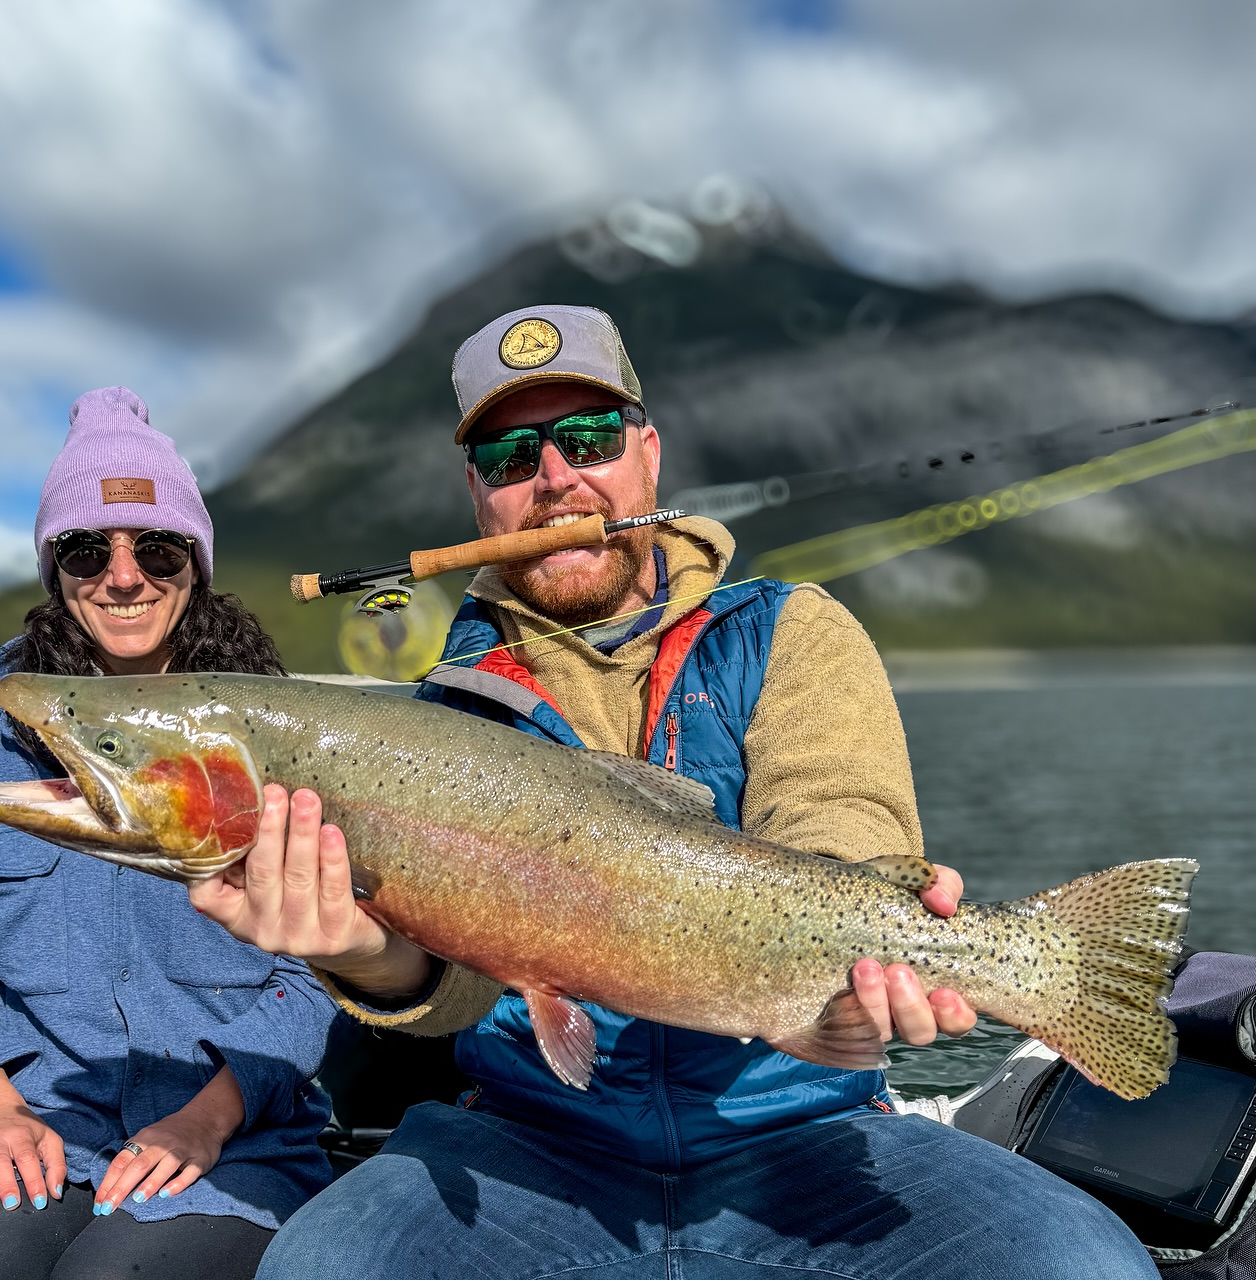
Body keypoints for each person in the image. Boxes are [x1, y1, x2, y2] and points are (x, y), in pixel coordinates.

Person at [193, 308, 1159, 1279]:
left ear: (646, 454)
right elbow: (458, 990)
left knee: (1086, 1266)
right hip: (526, 1148)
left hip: (802, 1137)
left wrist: (877, 971)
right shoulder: (442, 718)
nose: (555, 476)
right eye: (509, 453)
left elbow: (841, 829)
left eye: (588, 438)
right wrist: (366, 956)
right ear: (476, 491)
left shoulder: (789, 630)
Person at [0, 387, 339, 1280]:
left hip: (238, 1132)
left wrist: (209, 1118)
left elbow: (325, 968)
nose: (122, 576)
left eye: (157, 546)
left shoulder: (282, 737)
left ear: (195, 562)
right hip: (34, 1112)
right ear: (55, 567)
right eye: (88, 548)